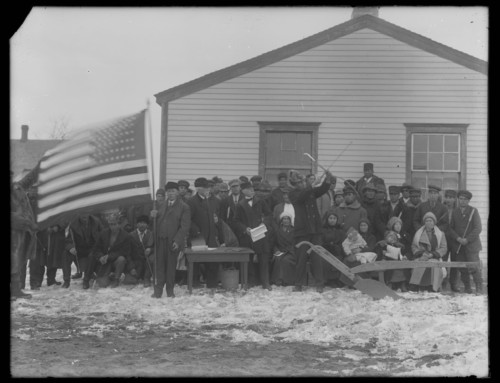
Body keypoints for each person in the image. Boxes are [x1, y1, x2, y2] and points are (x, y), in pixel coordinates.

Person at [288, 169, 335, 293]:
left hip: (315, 230)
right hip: (302, 232)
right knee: (301, 258)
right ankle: (298, 284)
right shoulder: (293, 194)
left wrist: (327, 180)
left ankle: (319, 283)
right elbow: (302, 196)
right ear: (294, 185)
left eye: (302, 182)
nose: (301, 184)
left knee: (317, 258)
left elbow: (322, 190)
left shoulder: (309, 191)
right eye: (298, 183)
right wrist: (312, 185)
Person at [151, 182, 191, 298]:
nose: (171, 193)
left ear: (177, 192)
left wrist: (177, 241)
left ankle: (170, 291)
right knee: (159, 267)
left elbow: (184, 227)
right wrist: (152, 215)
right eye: (169, 191)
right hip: (160, 240)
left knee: (170, 268)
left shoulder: (184, 207)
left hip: (172, 242)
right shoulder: (161, 205)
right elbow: (155, 221)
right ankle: (157, 291)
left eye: (173, 191)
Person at [234, 181, 273, 290]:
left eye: (252, 189)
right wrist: (245, 229)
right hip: (248, 235)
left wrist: (264, 223)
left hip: (261, 233)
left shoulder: (261, 201)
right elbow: (236, 221)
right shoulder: (240, 205)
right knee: (248, 259)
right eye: (249, 189)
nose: (252, 191)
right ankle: (249, 281)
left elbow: (269, 214)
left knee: (264, 258)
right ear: (243, 191)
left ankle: (265, 282)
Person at [187, 177, 221, 290]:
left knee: (213, 260)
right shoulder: (191, 202)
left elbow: (218, 216)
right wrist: (196, 230)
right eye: (205, 188)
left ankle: (212, 283)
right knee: (196, 259)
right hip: (197, 235)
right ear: (198, 188)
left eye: (209, 187)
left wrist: (216, 222)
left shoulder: (213, 201)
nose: (208, 190)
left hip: (211, 235)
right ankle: (195, 283)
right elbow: (188, 219)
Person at [448, 190, 483, 294]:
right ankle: (467, 288)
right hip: (459, 245)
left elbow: (478, 228)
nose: (462, 201)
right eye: (461, 199)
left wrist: (467, 239)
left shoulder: (473, 211)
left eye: (465, 199)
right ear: (458, 200)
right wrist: (458, 239)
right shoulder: (455, 212)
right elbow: (450, 229)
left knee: (473, 266)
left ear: (468, 200)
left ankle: (478, 287)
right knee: (462, 268)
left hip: (471, 245)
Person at [87, 214, 135, 289]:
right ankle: (108, 276)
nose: (112, 227)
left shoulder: (126, 236)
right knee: (102, 284)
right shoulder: (103, 233)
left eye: (114, 224)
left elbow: (125, 252)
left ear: (119, 224)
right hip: (105, 263)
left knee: (121, 259)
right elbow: (96, 248)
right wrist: (100, 257)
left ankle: (116, 279)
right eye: (110, 224)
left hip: (116, 260)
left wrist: (109, 256)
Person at [11, 179, 38, 300]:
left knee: (17, 262)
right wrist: (28, 223)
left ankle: (16, 289)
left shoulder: (18, 192)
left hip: (20, 234)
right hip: (16, 230)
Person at [409, 212, 448, 292]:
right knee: (420, 263)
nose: (428, 222)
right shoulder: (418, 233)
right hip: (421, 256)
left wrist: (432, 254)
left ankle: (433, 287)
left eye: (430, 221)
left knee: (434, 265)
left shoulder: (440, 234)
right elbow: (414, 246)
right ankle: (415, 285)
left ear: (434, 222)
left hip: (434, 256)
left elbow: (443, 248)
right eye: (427, 221)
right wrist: (421, 253)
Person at [68, 213, 104, 288]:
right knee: (65, 254)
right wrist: (71, 247)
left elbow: (103, 234)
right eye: (82, 212)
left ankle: (86, 279)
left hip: (94, 248)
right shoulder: (73, 224)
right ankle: (67, 280)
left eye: (86, 212)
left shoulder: (96, 222)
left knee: (92, 255)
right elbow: (68, 239)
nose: (84, 215)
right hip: (80, 249)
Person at [270, 212, 297, 286]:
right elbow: (274, 243)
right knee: (278, 259)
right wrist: (276, 251)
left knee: (286, 260)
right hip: (280, 251)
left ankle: (287, 281)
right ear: (281, 220)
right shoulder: (277, 231)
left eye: (287, 219)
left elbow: (295, 244)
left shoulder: (294, 230)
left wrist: (289, 251)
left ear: (290, 220)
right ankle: (277, 280)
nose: (286, 220)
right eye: (284, 219)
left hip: (291, 252)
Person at [321, 210, 346, 287]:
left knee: (339, 259)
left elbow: (344, 243)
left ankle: (337, 279)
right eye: (330, 218)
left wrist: (338, 247)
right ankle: (328, 280)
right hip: (325, 251)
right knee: (326, 260)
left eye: (334, 218)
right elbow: (320, 242)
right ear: (327, 219)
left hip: (337, 251)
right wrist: (328, 245)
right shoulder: (323, 230)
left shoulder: (340, 230)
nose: (332, 220)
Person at [128, 215, 155, 287]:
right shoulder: (131, 235)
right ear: (136, 224)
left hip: (147, 263)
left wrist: (151, 249)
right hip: (136, 262)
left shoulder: (151, 234)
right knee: (130, 281)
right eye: (140, 222)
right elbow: (127, 252)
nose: (142, 225)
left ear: (147, 225)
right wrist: (131, 267)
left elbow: (157, 247)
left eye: (144, 223)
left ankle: (147, 278)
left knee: (152, 258)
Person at [442, 189, 459, 292]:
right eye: (447, 197)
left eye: (451, 198)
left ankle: (453, 283)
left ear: (454, 199)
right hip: (443, 239)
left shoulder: (457, 210)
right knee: (443, 260)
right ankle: (443, 281)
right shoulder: (441, 209)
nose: (448, 200)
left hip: (455, 240)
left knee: (454, 261)